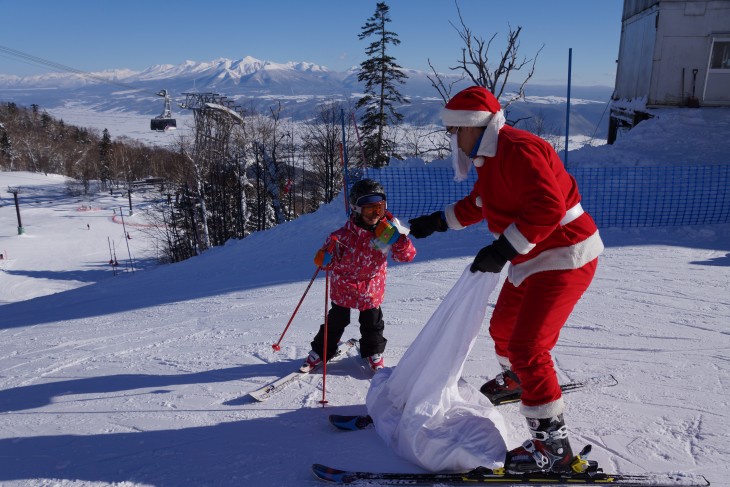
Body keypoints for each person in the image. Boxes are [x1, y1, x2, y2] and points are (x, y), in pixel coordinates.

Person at [407, 86, 604, 474]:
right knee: (503, 327)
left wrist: (502, 251)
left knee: (529, 345)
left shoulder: (518, 149)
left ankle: (553, 451)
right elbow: (482, 203)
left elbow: (547, 207)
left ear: (473, 126)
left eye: (454, 130)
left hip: (565, 253)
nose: (453, 138)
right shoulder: (489, 156)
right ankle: (520, 380)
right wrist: (436, 222)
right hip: (533, 255)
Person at [302, 179, 416, 373]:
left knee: (372, 323)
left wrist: (399, 240)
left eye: (379, 209)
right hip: (344, 288)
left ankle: (373, 352)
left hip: (371, 289)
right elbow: (327, 263)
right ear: (355, 209)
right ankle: (321, 351)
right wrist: (324, 258)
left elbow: (406, 256)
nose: (374, 215)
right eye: (368, 210)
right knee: (336, 322)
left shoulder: (386, 233)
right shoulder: (341, 236)